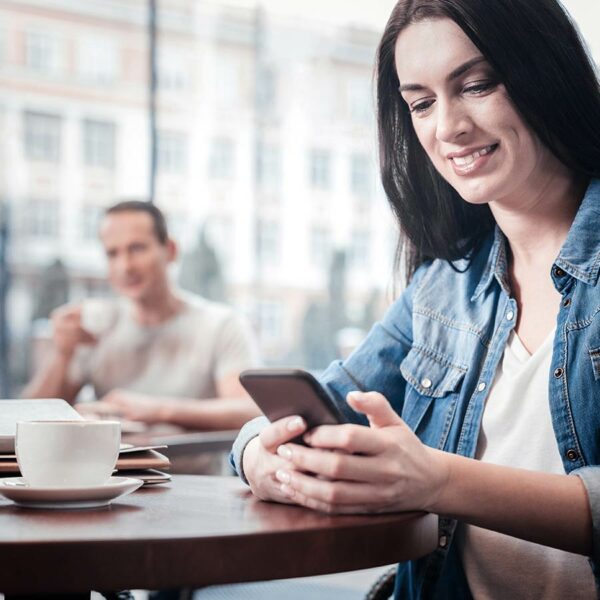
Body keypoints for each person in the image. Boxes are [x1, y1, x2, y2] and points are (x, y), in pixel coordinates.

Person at [227, 0, 600, 598]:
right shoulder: (443, 286)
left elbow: (434, 481)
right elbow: (316, 405)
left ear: (545, 74)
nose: (447, 127)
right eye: (421, 103)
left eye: (476, 85)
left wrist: (436, 481)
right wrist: (257, 458)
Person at [23, 200, 261, 431]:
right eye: (112, 254)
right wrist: (62, 354)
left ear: (170, 251)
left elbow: (249, 411)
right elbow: (30, 418)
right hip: (114, 471)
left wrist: (159, 410)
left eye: (137, 248)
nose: (125, 266)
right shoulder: (95, 326)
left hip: (195, 472)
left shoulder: (220, 325)